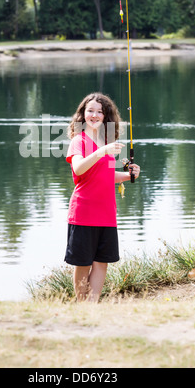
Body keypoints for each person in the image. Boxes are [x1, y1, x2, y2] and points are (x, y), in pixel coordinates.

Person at [64, 92, 140, 302]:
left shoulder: (106, 143)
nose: (95, 115)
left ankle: (92, 306)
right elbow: (79, 169)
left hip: (106, 212)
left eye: (100, 111)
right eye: (90, 111)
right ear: (83, 114)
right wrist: (101, 151)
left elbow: (107, 176)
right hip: (83, 211)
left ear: (106, 117)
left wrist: (128, 175)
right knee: (83, 263)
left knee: (101, 262)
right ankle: (82, 306)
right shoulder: (78, 141)